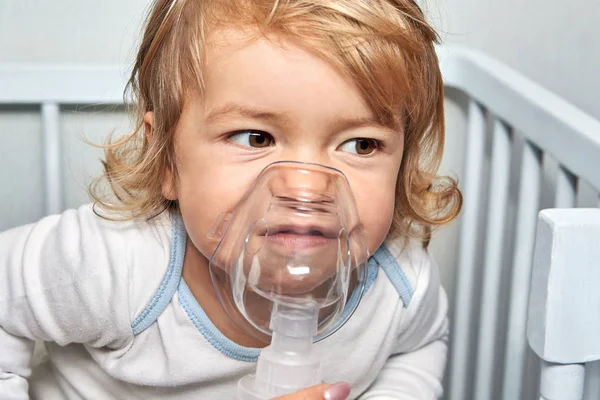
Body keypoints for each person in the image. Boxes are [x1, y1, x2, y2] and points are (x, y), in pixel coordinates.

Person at [0, 0, 462, 398]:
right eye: (256, 138)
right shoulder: (115, 263)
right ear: (167, 160)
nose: (306, 188)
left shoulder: (400, 286)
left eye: (361, 145)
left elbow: (418, 347)